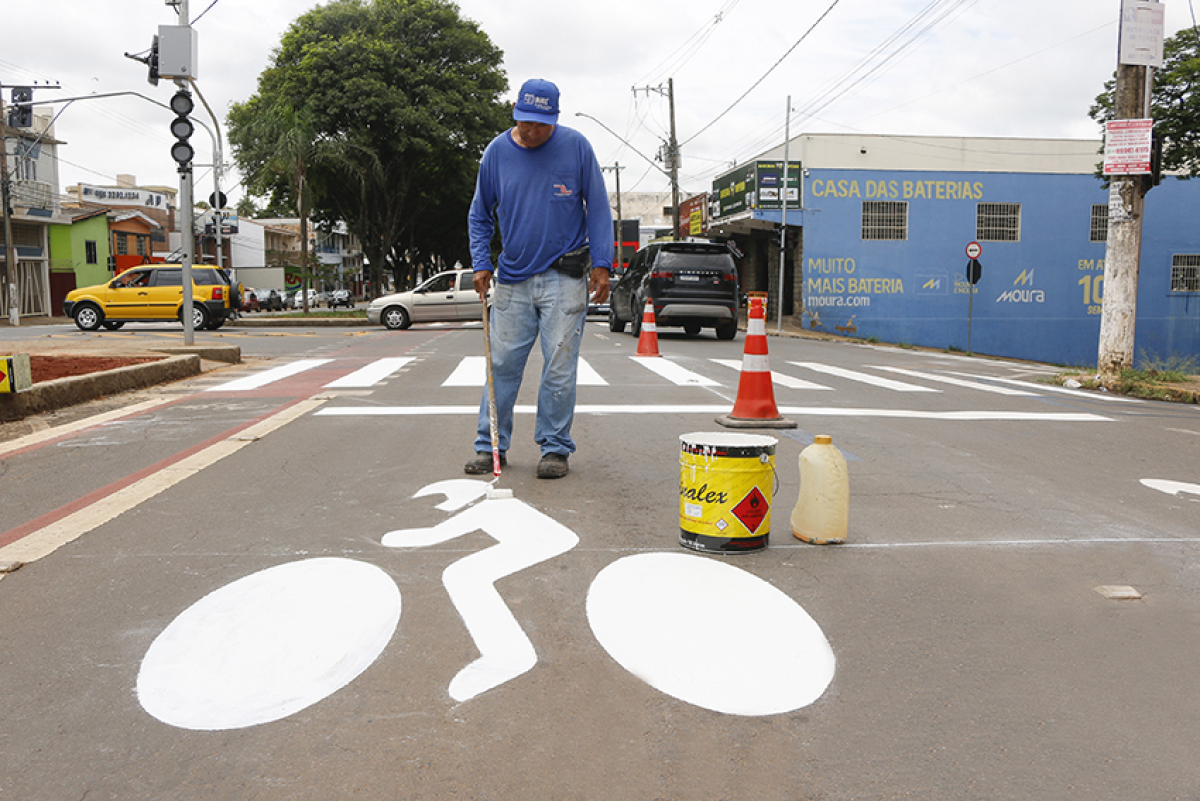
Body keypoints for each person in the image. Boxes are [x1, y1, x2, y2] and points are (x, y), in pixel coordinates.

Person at [464, 78, 614, 479]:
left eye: (540, 125)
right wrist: (481, 263)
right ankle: (490, 445)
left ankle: (555, 447)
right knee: (502, 364)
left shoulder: (576, 147)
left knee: (560, 366)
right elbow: (479, 215)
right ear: (515, 113)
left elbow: (598, 207)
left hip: (565, 276)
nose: (531, 131)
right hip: (513, 277)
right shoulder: (497, 152)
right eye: (524, 122)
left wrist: (603, 263)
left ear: (554, 120)